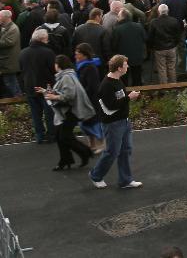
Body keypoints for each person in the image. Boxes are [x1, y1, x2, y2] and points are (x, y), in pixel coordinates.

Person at [89, 54, 143, 189]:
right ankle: (96, 175)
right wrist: (129, 98)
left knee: (126, 149)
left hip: (123, 121)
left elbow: (119, 101)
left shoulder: (118, 80)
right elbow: (111, 105)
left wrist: (129, 98)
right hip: (113, 123)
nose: (128, 67)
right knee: (112, 152)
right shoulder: (107, 85)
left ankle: (125, 180)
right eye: (125, 65)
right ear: (119, 68)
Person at [41, 54, 95, 170]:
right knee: (61, 136)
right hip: (69, 111)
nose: (54, 66)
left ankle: (83, 153)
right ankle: (67, 160)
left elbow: (69, 95)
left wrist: (53, 97)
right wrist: (45, 91)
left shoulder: (66, 77)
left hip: (70, 111)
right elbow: (61, 92)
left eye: (55, 63)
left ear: (59, 65)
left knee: (64, 137)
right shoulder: (66, 75)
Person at [18, 27, 56, 143]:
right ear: (43, 39)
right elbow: (53, 71)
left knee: (35, 114)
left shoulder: (23, 52)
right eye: (47, 39)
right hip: (46, 88)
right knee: (49, 113)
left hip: (29, 87)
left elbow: (21, 71)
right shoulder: (48, 52)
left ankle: (39, 136)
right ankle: (51, 135)